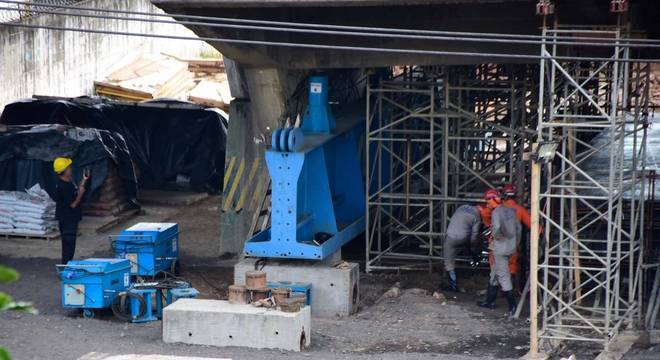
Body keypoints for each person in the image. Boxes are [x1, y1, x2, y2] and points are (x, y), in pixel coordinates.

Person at [477, 188, 521, 316]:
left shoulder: (496, 212)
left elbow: (496, 228)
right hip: (510, 247)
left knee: (503, 276)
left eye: (488, 200)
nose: (487, 203)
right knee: (494, 273)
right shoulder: (511, 211)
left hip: (500, 248)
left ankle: (513, 307)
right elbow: (518, 229)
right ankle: (489, 302)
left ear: (493, 199)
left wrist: (496, 237)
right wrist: (515, 243)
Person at [443, 204, 487, 292]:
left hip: (450, 236)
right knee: (472, 244)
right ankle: (476, 261)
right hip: (464, 237)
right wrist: (473, 246)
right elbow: (474, 235)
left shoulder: (461, 207)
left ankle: (453, 285)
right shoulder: (477, 216)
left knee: (448, 261)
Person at [53, 157, 89, 264]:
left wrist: (84, 181)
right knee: (68, 246)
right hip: (67, 220)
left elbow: (74, 193)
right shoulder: (63, 186)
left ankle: (67, 266)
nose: (71, 169)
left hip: (69, 218)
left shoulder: (67, 182)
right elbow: (73, 204)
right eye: (69, 167)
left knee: (69, 245)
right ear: (64, 171)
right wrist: (81, 192)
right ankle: (66, 268)